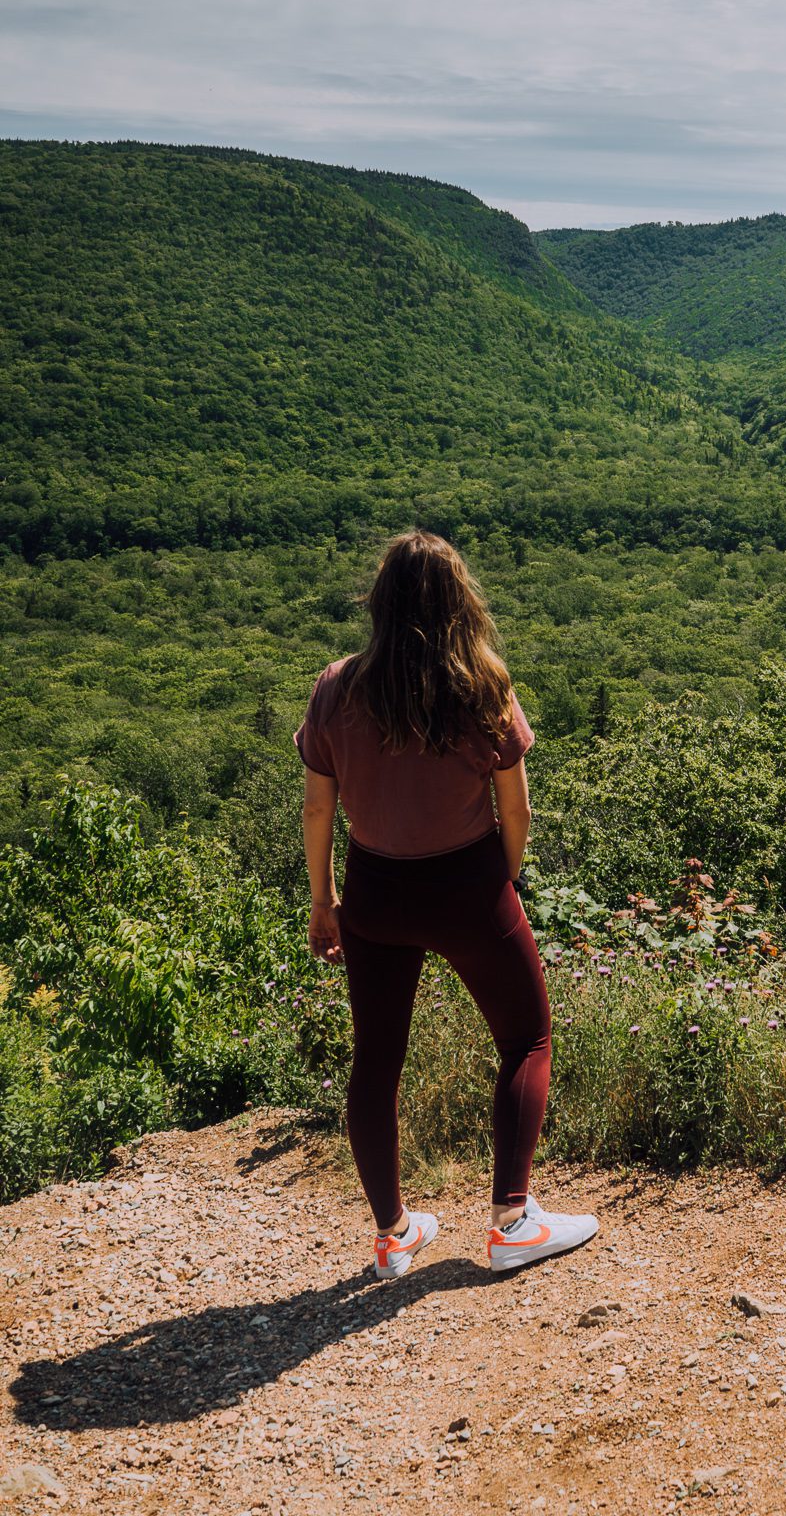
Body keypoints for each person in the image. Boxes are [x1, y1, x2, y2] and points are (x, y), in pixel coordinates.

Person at [294, 528, 597, 1281]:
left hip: (374, 892)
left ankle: (394, 1235)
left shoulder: (337, 687)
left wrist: (323, 900)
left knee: (377, 1060)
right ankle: (513, 1221)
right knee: (526, 1039)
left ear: (380, 603)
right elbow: (516, 811)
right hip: (466, 886)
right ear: (458, 601)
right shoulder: (483, 687)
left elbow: (315, 812)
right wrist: (502, 879)